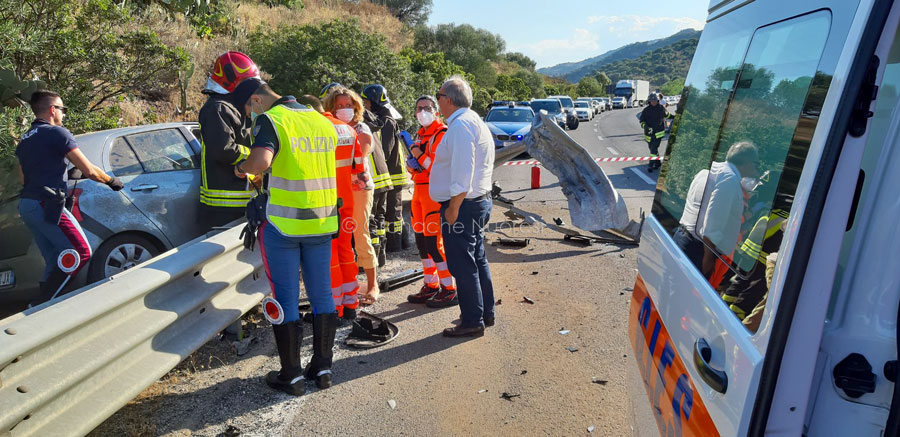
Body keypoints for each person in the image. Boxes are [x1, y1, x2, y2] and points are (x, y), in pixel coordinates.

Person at [231, 78, 339, 395]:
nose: (250, 114)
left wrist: (242, 168)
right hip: (320, 222)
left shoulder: (271, 119)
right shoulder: (321, 121)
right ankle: (323, 368)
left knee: (286, 297)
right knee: (322, 295)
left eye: (248, 107)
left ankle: (291, 375)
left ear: (257, 100)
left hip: (283, 225)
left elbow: (261, 161)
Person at [16, 90, 124, 300]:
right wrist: (112, 181)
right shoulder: (58, 133)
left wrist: (61, 173)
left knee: (56, 257)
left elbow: (23, 177)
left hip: (27, 205)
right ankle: (44, 304)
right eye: (62, 109)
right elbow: (90, 170)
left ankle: (41, 310)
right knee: (80, 251)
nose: (64, 114)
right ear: (52, 110)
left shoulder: (25, 140)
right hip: (45, 203)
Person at [430, 75, 496, 338]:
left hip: (464, 205)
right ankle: (483, 312)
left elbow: (462, 171)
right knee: (477, 259)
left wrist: (453, 208)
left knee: (462, 265)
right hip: (476, 202)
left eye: (439, 96)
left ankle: (472, 320)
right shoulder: (474, 121)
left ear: (447, 100)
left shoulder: (460, 126)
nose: (437, 102)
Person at [321, 86, 382, 303]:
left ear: (356, 107)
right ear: (331, 107)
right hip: (335, 189)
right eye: (340, 106)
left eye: (348, 105)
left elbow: (364, 148)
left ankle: (373, 285)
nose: (345, 109)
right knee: (339, 239)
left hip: (358, 188)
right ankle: (347, 285)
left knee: (359, 233)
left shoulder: (361, 127)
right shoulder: (327, 127)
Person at [674, 141, 760, 278]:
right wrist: (708, 258)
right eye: (757, 164)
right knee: (683, 293)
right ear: (748, 162)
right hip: (698, 249)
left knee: (671, 286)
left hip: (681, 236)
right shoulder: (729, 179)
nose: (757, 168)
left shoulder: (707, 172)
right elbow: (712, 224)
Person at [405, 95, 458, 307]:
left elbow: (434, 166)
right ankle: (431, 284)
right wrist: (412, 163)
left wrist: (416, 154)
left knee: (435, 244)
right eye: (419, 108)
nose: (422, 112)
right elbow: (411, 168)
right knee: (422, 243)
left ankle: (449, 288)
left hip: (433, 194)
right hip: (418, 192)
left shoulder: (441, 133)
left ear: (436, 110)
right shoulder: (421, 135)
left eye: (427, 108)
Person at [197, 52, 261, 227]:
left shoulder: (236, 108)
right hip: (222, 207)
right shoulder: (217, 109)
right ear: (231, 82)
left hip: (241, 202)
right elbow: (223, 149)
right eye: (246, 83)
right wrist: (256, 155)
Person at [319, 88, 365, 321]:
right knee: (347, 252)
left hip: (326, 204)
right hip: (346, 202)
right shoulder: (350, 131)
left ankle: (334, 309)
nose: (345, 109)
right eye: (340, 105)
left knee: (330, 257)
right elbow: (360, 172)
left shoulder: (318, 131)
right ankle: (350, 304)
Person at [361, 84, 409, 254]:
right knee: (390, 213)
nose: (364, 105)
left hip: (392, 174)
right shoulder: (383, 117)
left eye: (366, 102)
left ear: (374, 102)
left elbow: (385, 150)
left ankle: (395, 246)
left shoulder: (387, 121)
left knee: (393, 214)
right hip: (390, 173)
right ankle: (399, 243)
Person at [638, 93, 672, 172]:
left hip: (658, 133)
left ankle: (651, 165)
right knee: (652, 149)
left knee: (653, 149)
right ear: (649, 101)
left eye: (655, 101)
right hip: (649, 134)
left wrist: (675, 116)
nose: (653, 102)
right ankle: (657, 163)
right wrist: (645, 126)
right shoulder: (646, 110)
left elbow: (667, 115)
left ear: (657, 101)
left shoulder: (661, 108)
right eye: (652, 101)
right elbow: (642, 120)